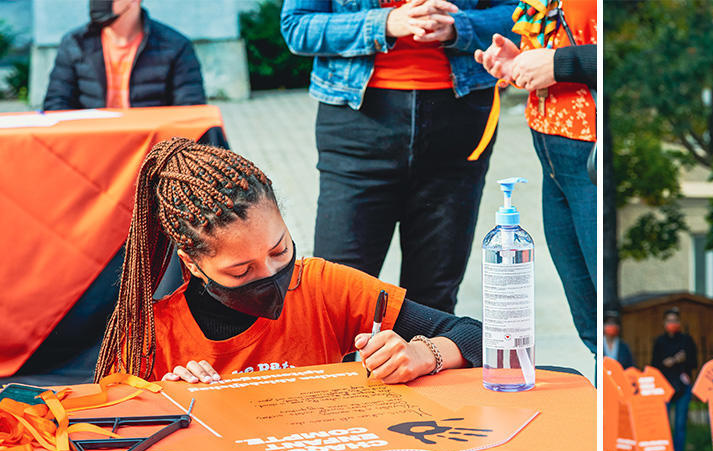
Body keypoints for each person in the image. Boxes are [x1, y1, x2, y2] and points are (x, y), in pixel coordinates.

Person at [94, 137, 482, 385]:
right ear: (192, 264)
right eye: (241, 271)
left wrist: (422, 355)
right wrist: (167, 403)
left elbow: (486, 338)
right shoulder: (151, 337)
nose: (272, 275)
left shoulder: (322, 287)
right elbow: (111, 430)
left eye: (280, 250)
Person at [280, 0, 518, 314]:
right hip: (358, 123)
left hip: (459, 122)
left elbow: (520, 14)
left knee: (434, 298)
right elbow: (297, 27)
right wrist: (386, 23)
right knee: (336, 298)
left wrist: (459, 28)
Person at [473, 0, 597, 352]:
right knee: (588, 323)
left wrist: (559, 64)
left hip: (590, 154)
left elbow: (631, 58)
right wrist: (520, 62)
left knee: (601, 322)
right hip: (550, 154)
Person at [43, 0, 206, 111]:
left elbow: (190, 112)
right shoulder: (75, 44)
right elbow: (56, 107)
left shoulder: (175, 46)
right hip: (91, 149)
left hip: (151, 151)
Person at [651, 307, 696, 451]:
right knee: (663, 424)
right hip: (664, 386)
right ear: (664, 323)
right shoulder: (659, 342)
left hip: (682, 387)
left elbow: (694, 363)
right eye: (669, 321)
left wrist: (681, 360)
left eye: (675, 321)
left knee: (679, 424)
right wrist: (669, 361)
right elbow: (654, 366)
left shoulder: (686, 341)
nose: (672, 324)